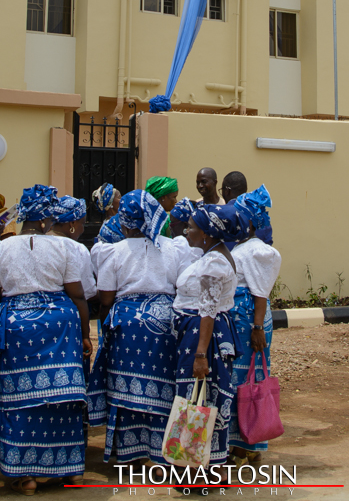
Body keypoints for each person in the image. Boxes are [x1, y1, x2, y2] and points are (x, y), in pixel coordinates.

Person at [0, 187, 91, 496]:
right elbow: (77, 293)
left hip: (16, 328)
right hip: (60, 326)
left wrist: (19, 297)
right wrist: (84, 335)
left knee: (18, 400)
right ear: (44, 221)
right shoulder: (64, 247)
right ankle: (65, 471)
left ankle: (24, 476)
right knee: (60, 398)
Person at [87, 190, 184, 466]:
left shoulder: (114, 251)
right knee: (165, 385)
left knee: (125, 390)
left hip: (127, 327)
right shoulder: (174, 247)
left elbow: (105, 298)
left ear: (125, 222)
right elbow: (180, 287)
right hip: (164, 324)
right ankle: (163, 452)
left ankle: (131, 454)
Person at [173, 204, 243, 465]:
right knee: (205, 397)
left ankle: (201, 466)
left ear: (207, 234)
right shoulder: (213, 254)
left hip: (204, 339)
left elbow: (208, 311)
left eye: (191, 227)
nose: (186, 230)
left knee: (201, 397)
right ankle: (206, 463)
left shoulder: (214, 262)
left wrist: (200, 354)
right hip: (202, 336)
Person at [229, 187, 281, 464]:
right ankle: (244, 443)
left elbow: (260, 293)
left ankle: (247, 444)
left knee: (248, 380)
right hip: (245, 321)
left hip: (250, 322)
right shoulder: (246, 247)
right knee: (244, 378)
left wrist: (257, 328)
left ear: (249, 221)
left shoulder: (259, 252)